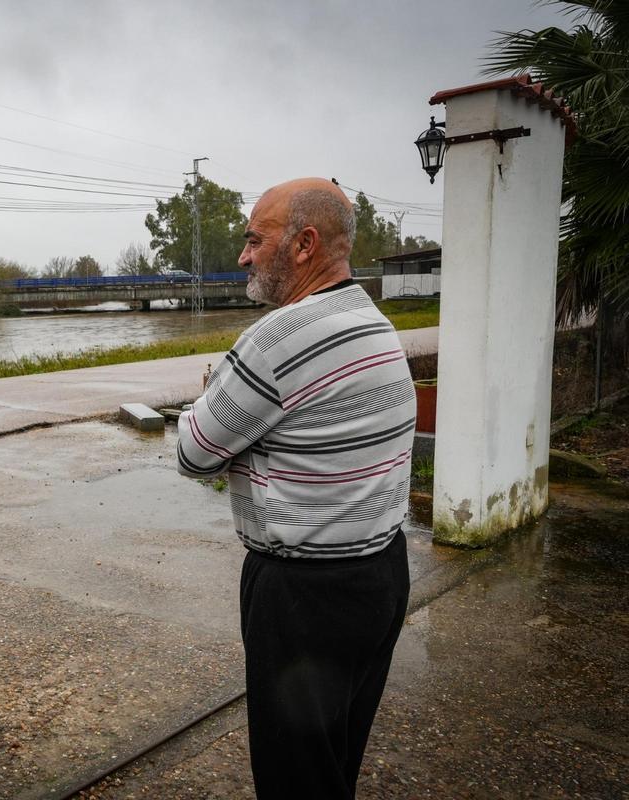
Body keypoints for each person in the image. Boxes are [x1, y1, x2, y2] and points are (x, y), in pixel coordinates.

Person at [176, 178, 415, 799]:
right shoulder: (373, 322)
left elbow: (194, 453)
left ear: (304, 244)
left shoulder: (276, 339)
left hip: (303, 599)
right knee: (335, 761)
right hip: (382, 575)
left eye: (255, 240)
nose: (243, 256)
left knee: (295, 780)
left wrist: (210, 396)